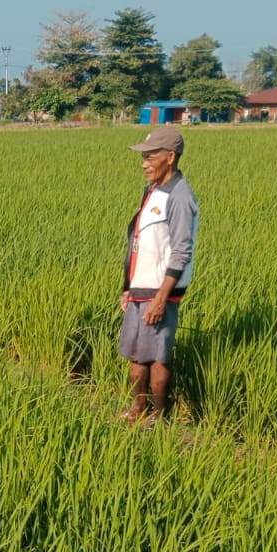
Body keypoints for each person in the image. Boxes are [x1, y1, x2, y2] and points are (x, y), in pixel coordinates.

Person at [117, 127, 199, 425]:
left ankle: (158, 417)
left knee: (157, 356)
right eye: (144, 157)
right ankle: (138, 408)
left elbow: (181, 252)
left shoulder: (180, 197)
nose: (144, 164)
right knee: (135, 354)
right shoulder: (153, 191)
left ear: (170, 157)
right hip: (140, 288)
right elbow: (138, 241)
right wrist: (128, 286)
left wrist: (161, 299)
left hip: (159, 291)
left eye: (150, 157)